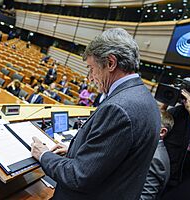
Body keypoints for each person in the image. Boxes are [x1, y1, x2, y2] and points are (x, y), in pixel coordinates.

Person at [31, 28, 161, 200]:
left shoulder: (118, 108)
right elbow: (116, 156)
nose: (90, 78)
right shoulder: (146, 98)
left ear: (110, 63)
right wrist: (77, 151)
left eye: (91, 69)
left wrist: (43, 155)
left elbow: (79, 176)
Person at [163, 78, 190, 188]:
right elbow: (159, 128)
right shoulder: (176, 112)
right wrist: (166, 103)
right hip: (167, 175)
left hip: (186, 180)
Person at [140, 111, 174, 200]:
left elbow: (145, 197)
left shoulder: (155, 159)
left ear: (162, 132)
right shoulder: (150, 148)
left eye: (148, 122)